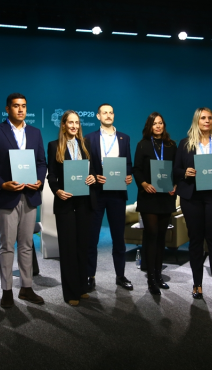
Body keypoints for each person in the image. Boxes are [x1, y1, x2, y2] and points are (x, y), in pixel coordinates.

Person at [0, 93, 47, 308]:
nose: (20, 110)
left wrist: (39, 180)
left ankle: (26, 288)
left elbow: (41, 162)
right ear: (7, 109)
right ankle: (7, 290)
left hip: (29, 195)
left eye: (24, 106)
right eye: (16, 106)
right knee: (7, 246)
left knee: (27, 244)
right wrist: (2, 184)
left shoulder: (35, 133)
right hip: (7, 196)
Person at [173, 108, 212, 300]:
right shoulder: (185, 144)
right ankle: (197, 284)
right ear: (197, 120)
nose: (207, 121)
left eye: (210, 118)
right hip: (192, 197)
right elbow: (176, 170)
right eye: (203, 118)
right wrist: (185, 173)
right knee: (196, 241)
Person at [47, 111, 98, 306]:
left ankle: (82, 287)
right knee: (68, 248)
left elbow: (92, 170)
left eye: (77, 122)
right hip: (65, 202)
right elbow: (51, 176)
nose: (74, 126)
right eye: (70, 122)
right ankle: (70, 293)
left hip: (85, 201)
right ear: (63, 125)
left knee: (82, 246)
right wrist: (57, 190)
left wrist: (93, 177)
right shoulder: (54, 146)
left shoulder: (86, 145)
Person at [85, 103, 133, 292]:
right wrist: (94, 176)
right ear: (98, 116)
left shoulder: (124, 138)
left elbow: (128, 163)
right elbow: (86, 164)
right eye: (104, 112)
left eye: (111, 112)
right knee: (92, 238)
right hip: (96, 193)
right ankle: (90, 275)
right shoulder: (89, 138)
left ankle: (120, 275)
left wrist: (128, 176)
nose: (108, 115)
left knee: (118, 238)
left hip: (117, 194)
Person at [133, 112, 177, 295]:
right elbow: (136, 168)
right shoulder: (142, 144)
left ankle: (158, 275)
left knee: (160, 237)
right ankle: (150, 278)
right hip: (149, 196)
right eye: (154, 123)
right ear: (149, 126)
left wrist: (175, 185)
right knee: (151, 234)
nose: (158, 126)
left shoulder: (171, 145)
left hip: (166, 197)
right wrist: (144, 184)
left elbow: (176, 168)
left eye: (160, 123)